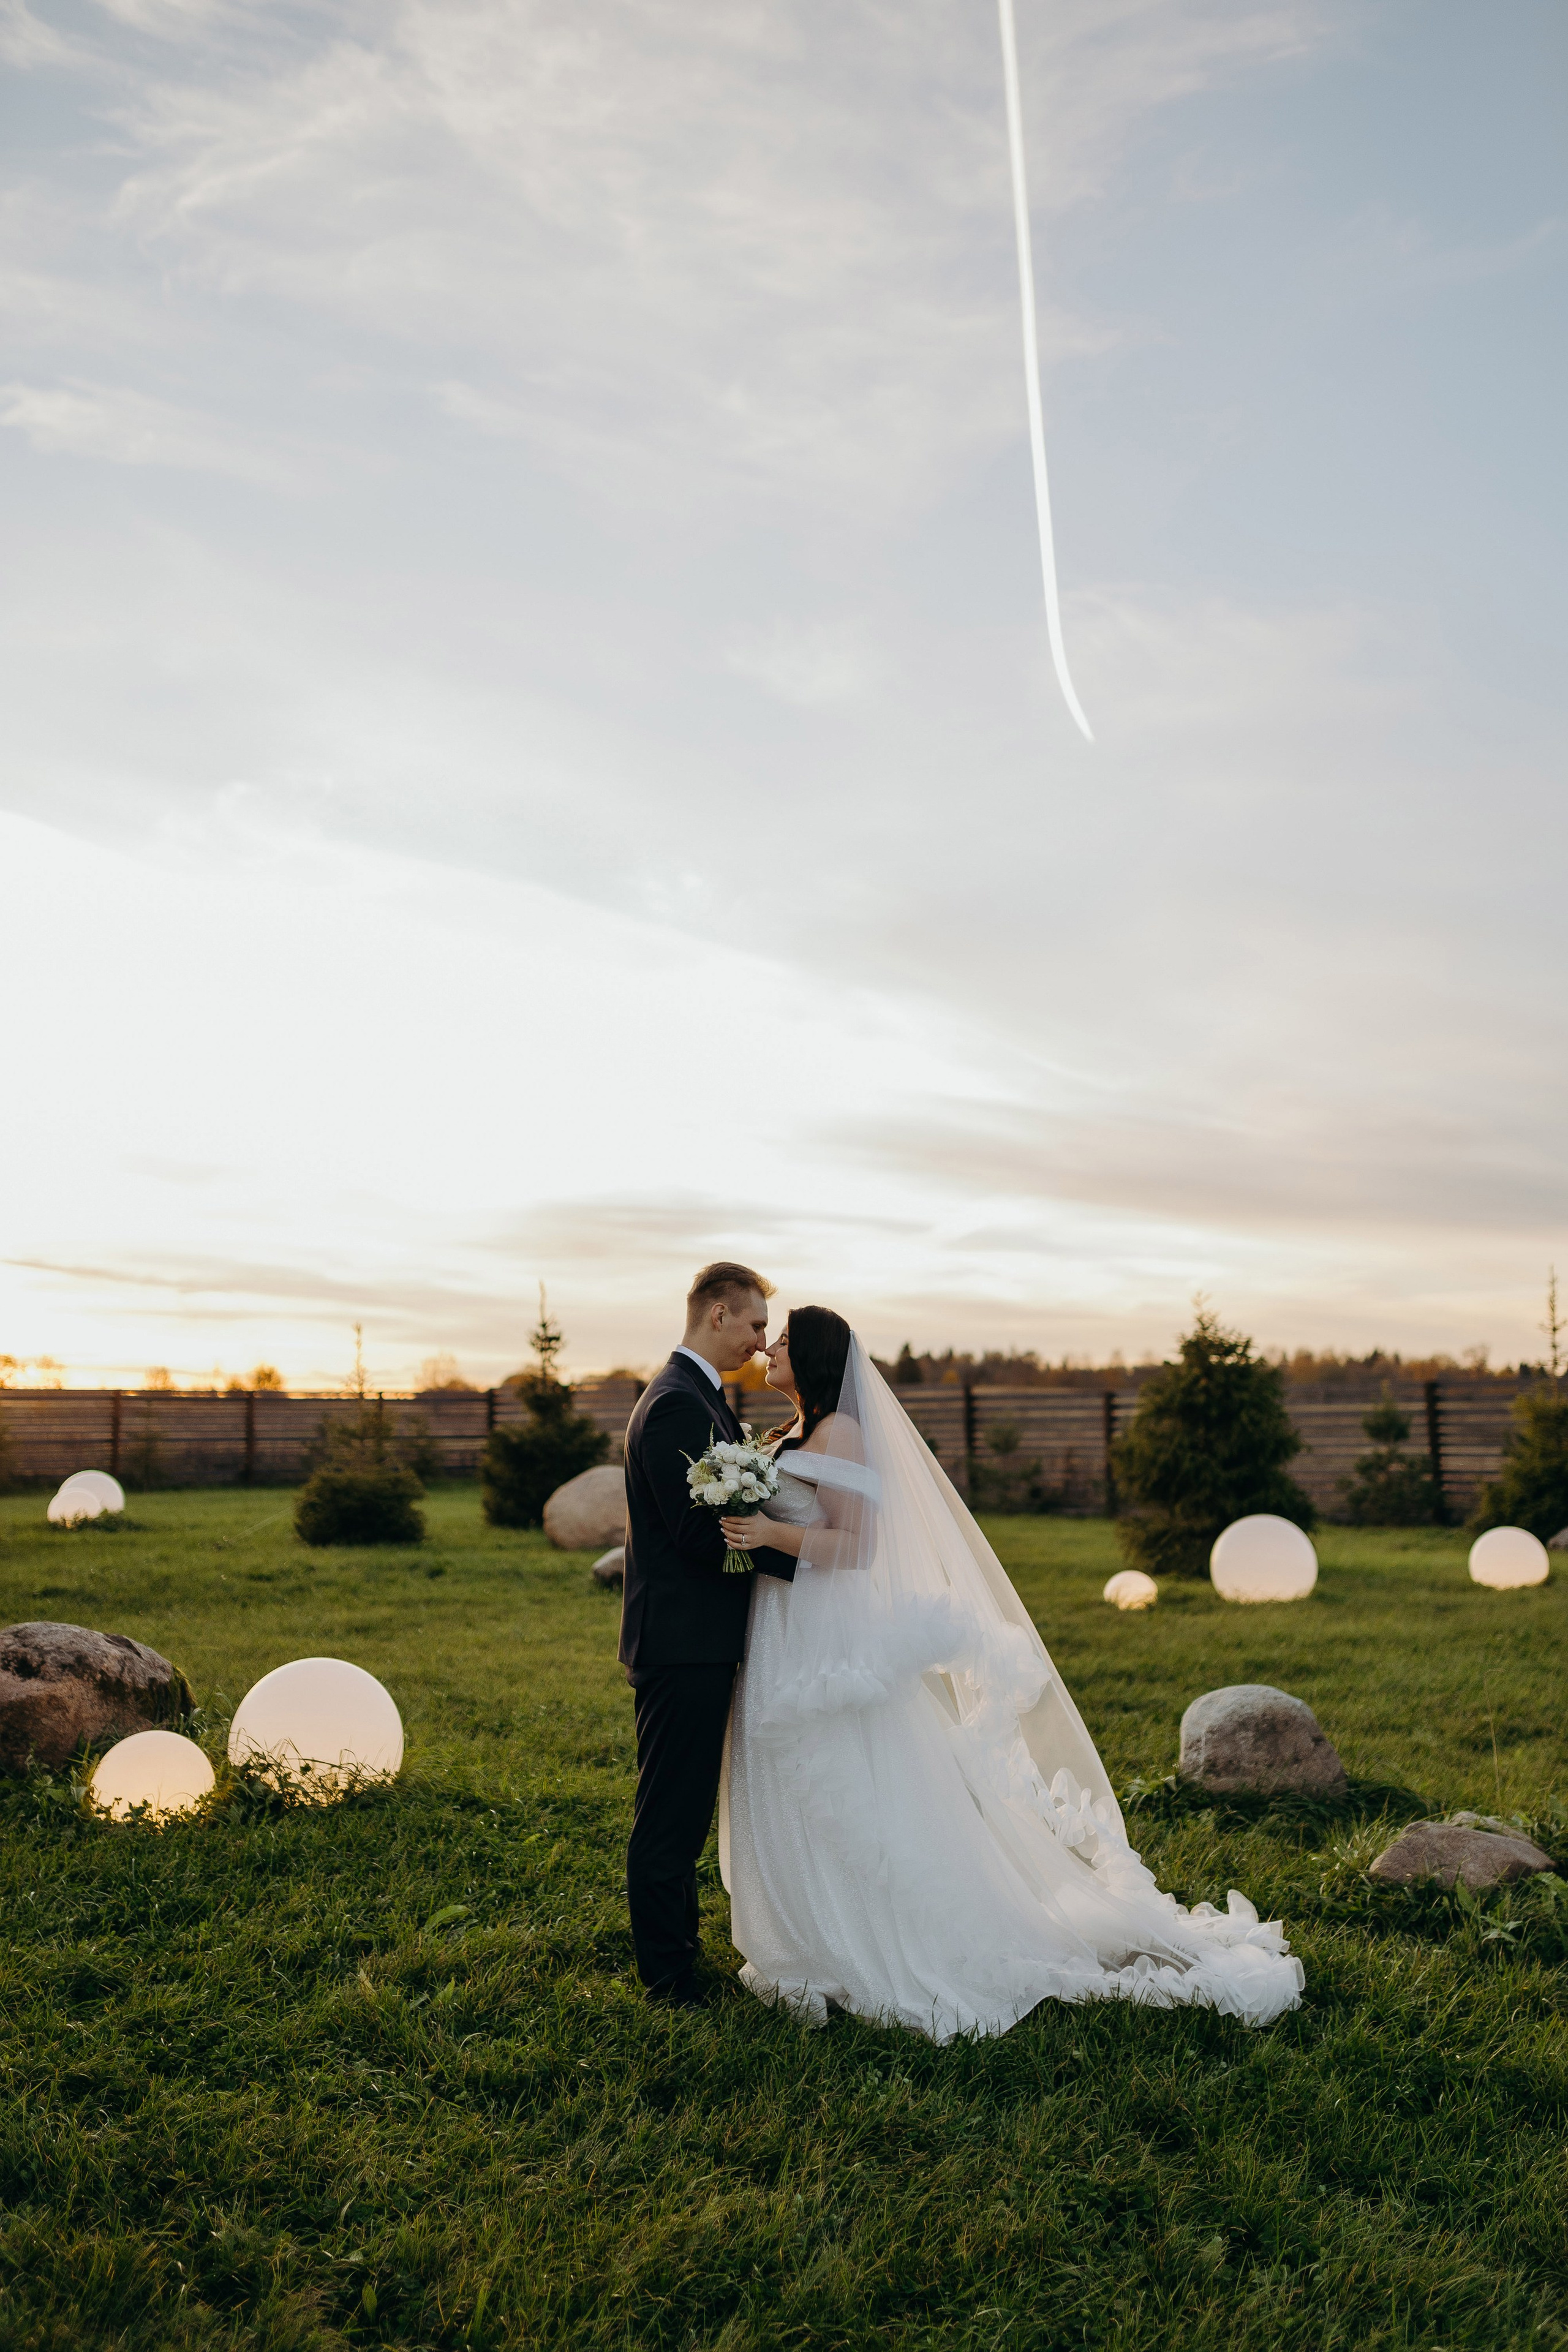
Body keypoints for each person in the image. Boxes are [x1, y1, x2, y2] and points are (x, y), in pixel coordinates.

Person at [717, 1307, 1306, 2041]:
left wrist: (769, 1531)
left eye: (780, 1340)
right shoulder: (791, 1432)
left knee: (838, 1772)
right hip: (781, 1625)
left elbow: (857, 1547)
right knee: (789, 1772)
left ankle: (863, 1937)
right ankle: (806, 1930)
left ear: (811, 1355)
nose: (768, 1349)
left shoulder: (844, 1433)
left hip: (821, 1632)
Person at [619, 1261, 793, 2008]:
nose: (761, 1343)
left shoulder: (704, 1399)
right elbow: (697, 1539)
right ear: (717, 1314)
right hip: (680, 1643)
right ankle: (667, 1981)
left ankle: (679, 1957)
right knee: (670, 1816)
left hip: (697, 1640)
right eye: (755, 1324)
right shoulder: (673, 1405)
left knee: (685, 1810)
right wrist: (792, 1563)